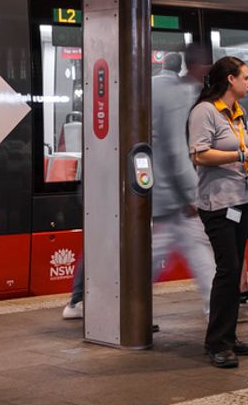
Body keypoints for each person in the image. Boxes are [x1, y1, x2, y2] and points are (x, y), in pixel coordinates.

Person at [64, 49, 216, 323]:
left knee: (153, 251)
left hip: (124, 185)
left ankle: (119, 305)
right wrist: (191, 194)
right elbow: (174, 148)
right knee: (180, 250)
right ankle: (118, 305)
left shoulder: (143, 88)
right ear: (199, 68)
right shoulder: (176, 94)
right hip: (158, 192)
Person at [188, 56, 248, 368]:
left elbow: (239, 152)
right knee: (228, 269)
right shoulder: (204, 112)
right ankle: (217, 343)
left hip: (242, 198)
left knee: (234, 271)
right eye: (245, 77)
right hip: (217, 203)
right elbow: (200, 154)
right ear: (230, 80)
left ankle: (228, 336)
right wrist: (241, 152)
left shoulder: (238, 112)